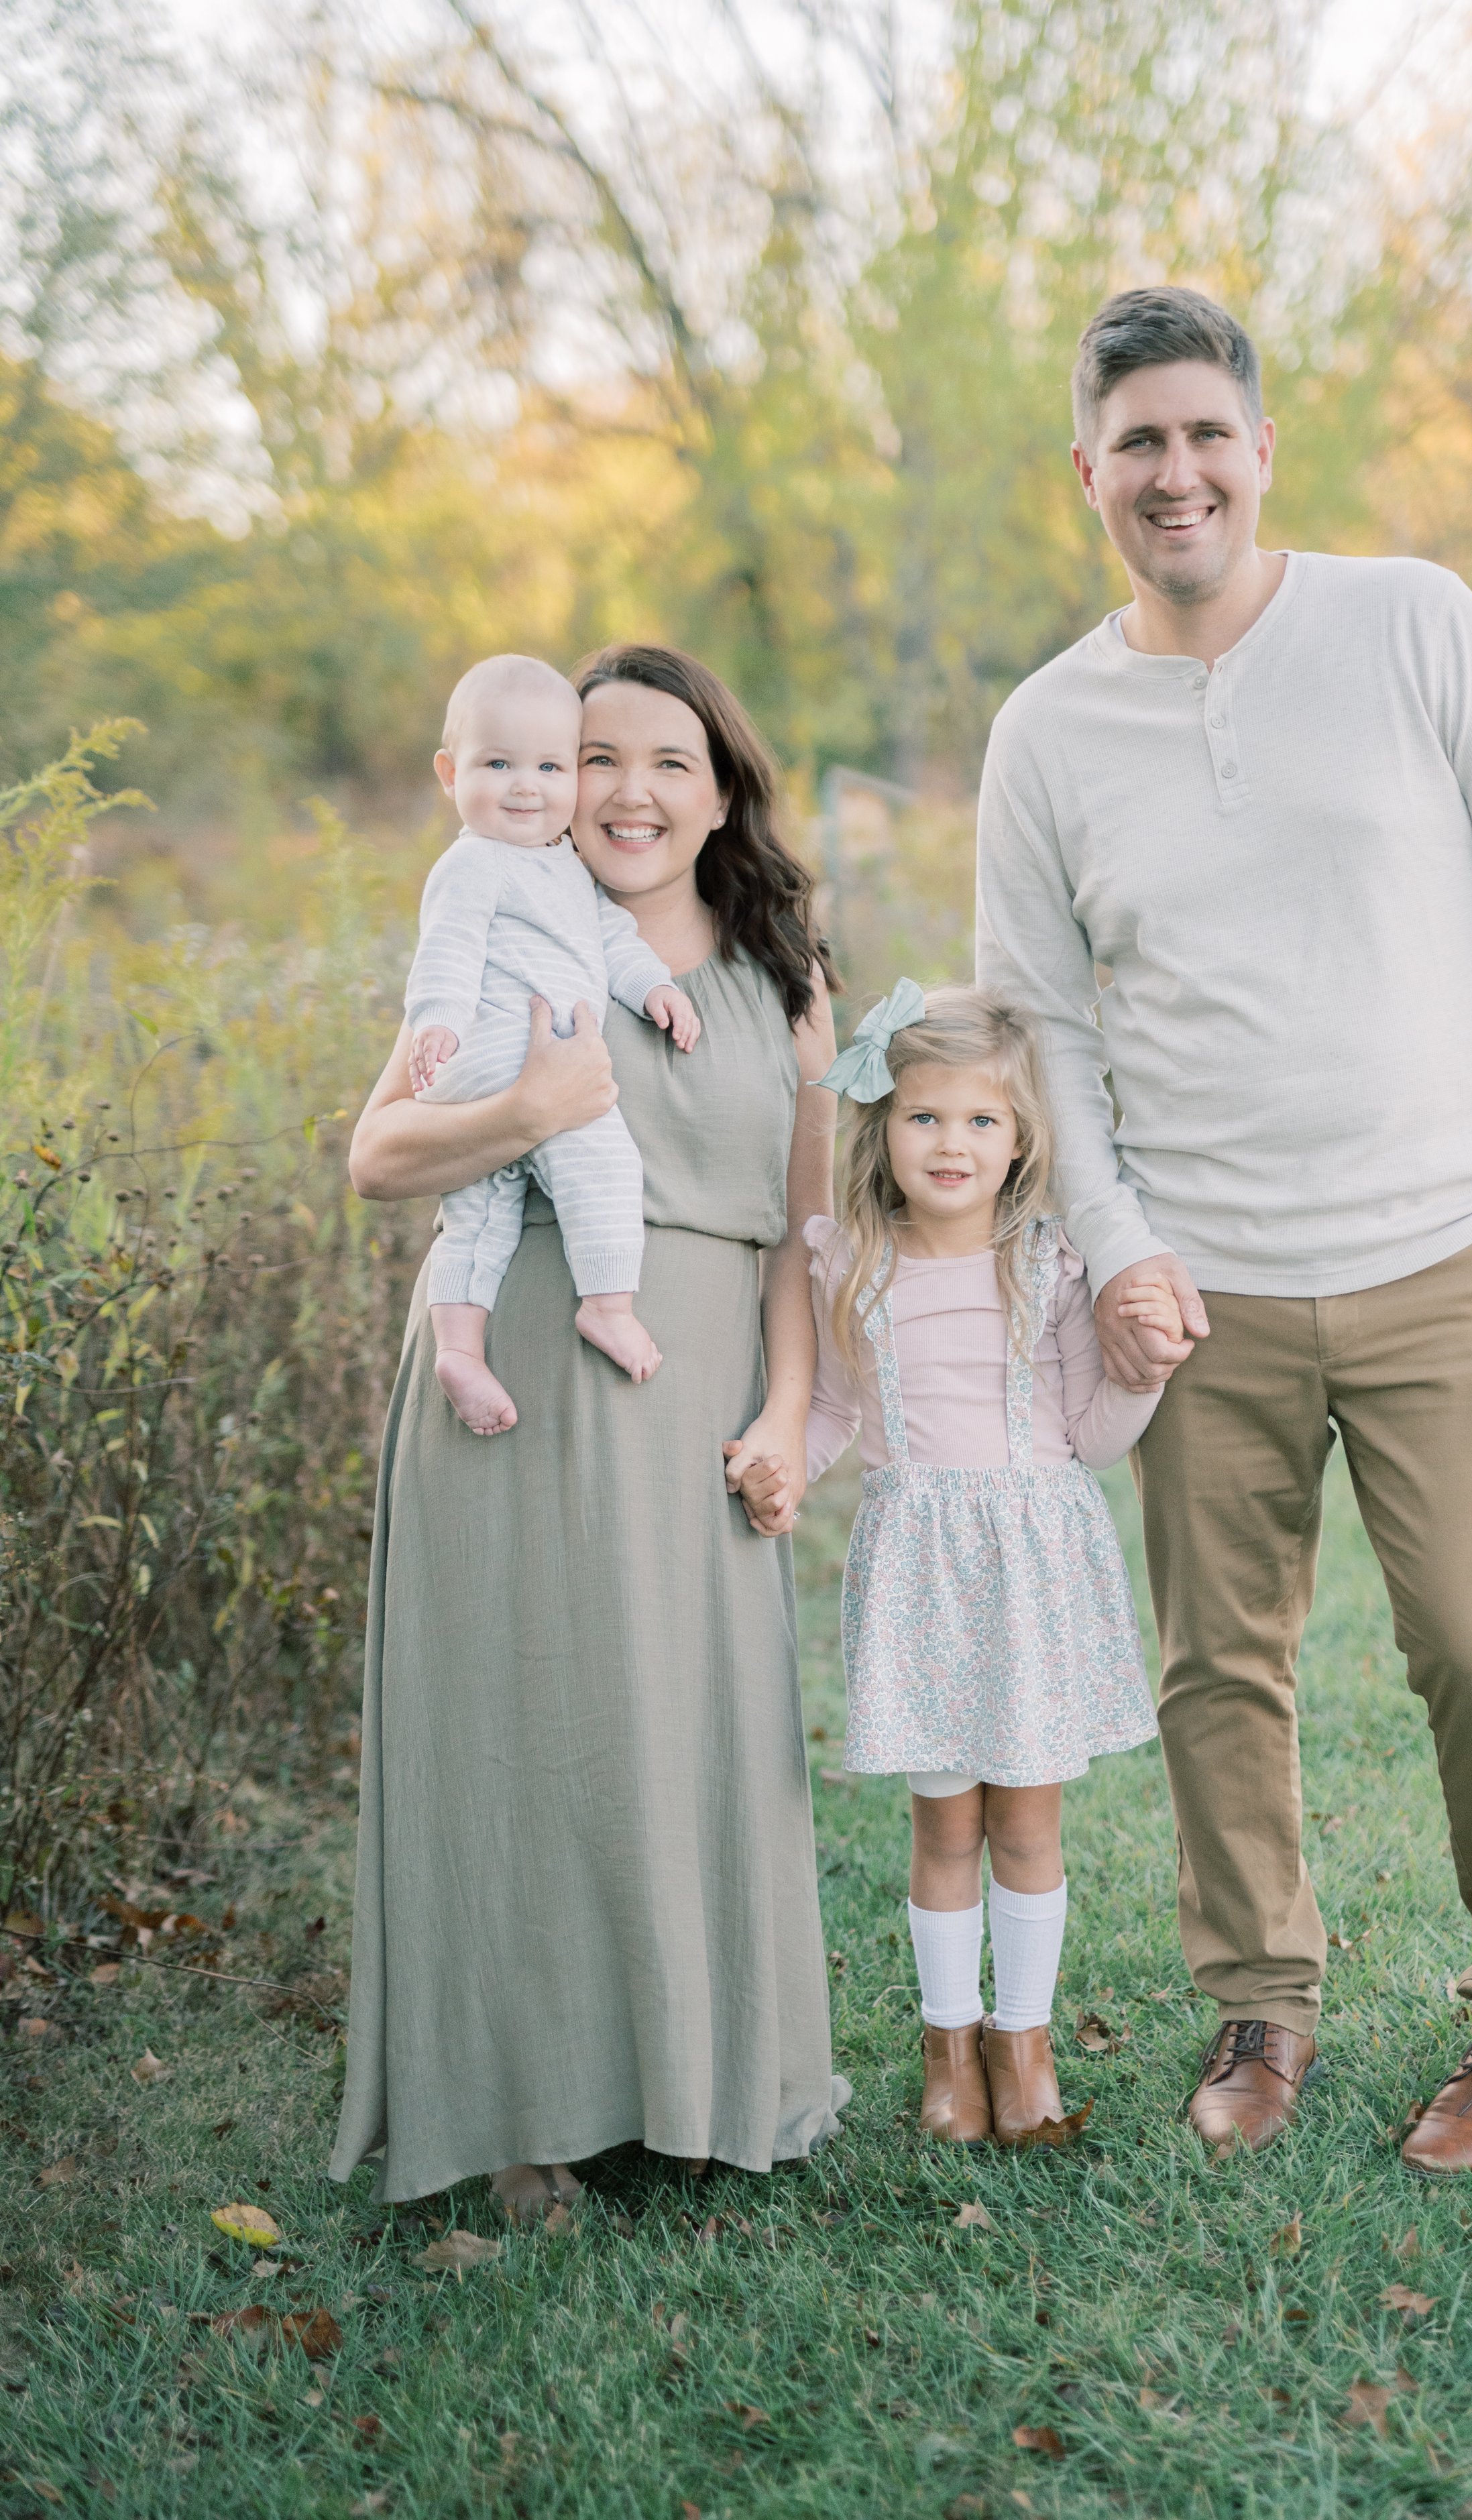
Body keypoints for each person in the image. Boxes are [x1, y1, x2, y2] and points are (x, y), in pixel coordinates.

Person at [975, 284, 1472, 2174]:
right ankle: (1259, 2004)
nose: (1172, 474)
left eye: (1204, 435)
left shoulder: (1410, 621)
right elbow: (1043, 1026)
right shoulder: (1044, 730)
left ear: (1259, 449)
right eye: (1135, 444)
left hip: (1456, 1249)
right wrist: (1112, 1245)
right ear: (1085, 470)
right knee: (1215, 1663)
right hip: (1201, 1283)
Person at [329, 642, 848, 2216]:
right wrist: (524, 1113)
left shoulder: (784, 972)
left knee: (692, 1738)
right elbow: (377, 1151)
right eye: (594, 757)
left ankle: (698, 2080)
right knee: (520, 1735)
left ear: (720, 789)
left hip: (698, 1395)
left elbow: (800, 1237)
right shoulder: (507, 920)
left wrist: (790, 1411)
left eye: (665, 761)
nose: (624, 790)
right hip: (519, 1382)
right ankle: (516, 2108)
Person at [738, 984, 1173, 2146]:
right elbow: (829, 1412)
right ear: (882, 1125)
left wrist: (1144, 1371)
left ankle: (1021, 2045)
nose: (952, 1143)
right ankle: (948, 2047)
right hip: (921, 1568)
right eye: (925, 1117)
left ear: (1021, 1136)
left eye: (982, 1121)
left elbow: (1089, 1431)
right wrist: (784, 1465)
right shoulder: (851, 1260)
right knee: (944, 1828)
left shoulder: (1049, 1260)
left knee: (1028, 1822)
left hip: (1034, 1567)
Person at [408, 652, 701, 1426]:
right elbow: (448, 945)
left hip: (487, 1072)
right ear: (449, 772)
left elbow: (611, 934)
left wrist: (653, 986)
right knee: (600, 1154)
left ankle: (460, 1350)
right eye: (497, 764)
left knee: (479, 1206)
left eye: (549, 765)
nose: (526, 785)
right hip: (509, 1046)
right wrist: (435, 1020)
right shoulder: (475, 863)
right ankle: (607, 1303)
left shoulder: (560, 864)